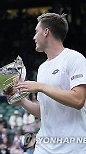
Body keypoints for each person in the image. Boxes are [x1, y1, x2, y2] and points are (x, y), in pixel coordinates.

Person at [5, 13, 86, 154]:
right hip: (45, 146)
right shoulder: (42, 68)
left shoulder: (75, 58)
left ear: (46, 32)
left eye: (36, 32)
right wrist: (21, 101)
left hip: (72, 146)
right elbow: (44, 112)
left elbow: (78, 100)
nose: (34, 37)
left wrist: (41, 87)